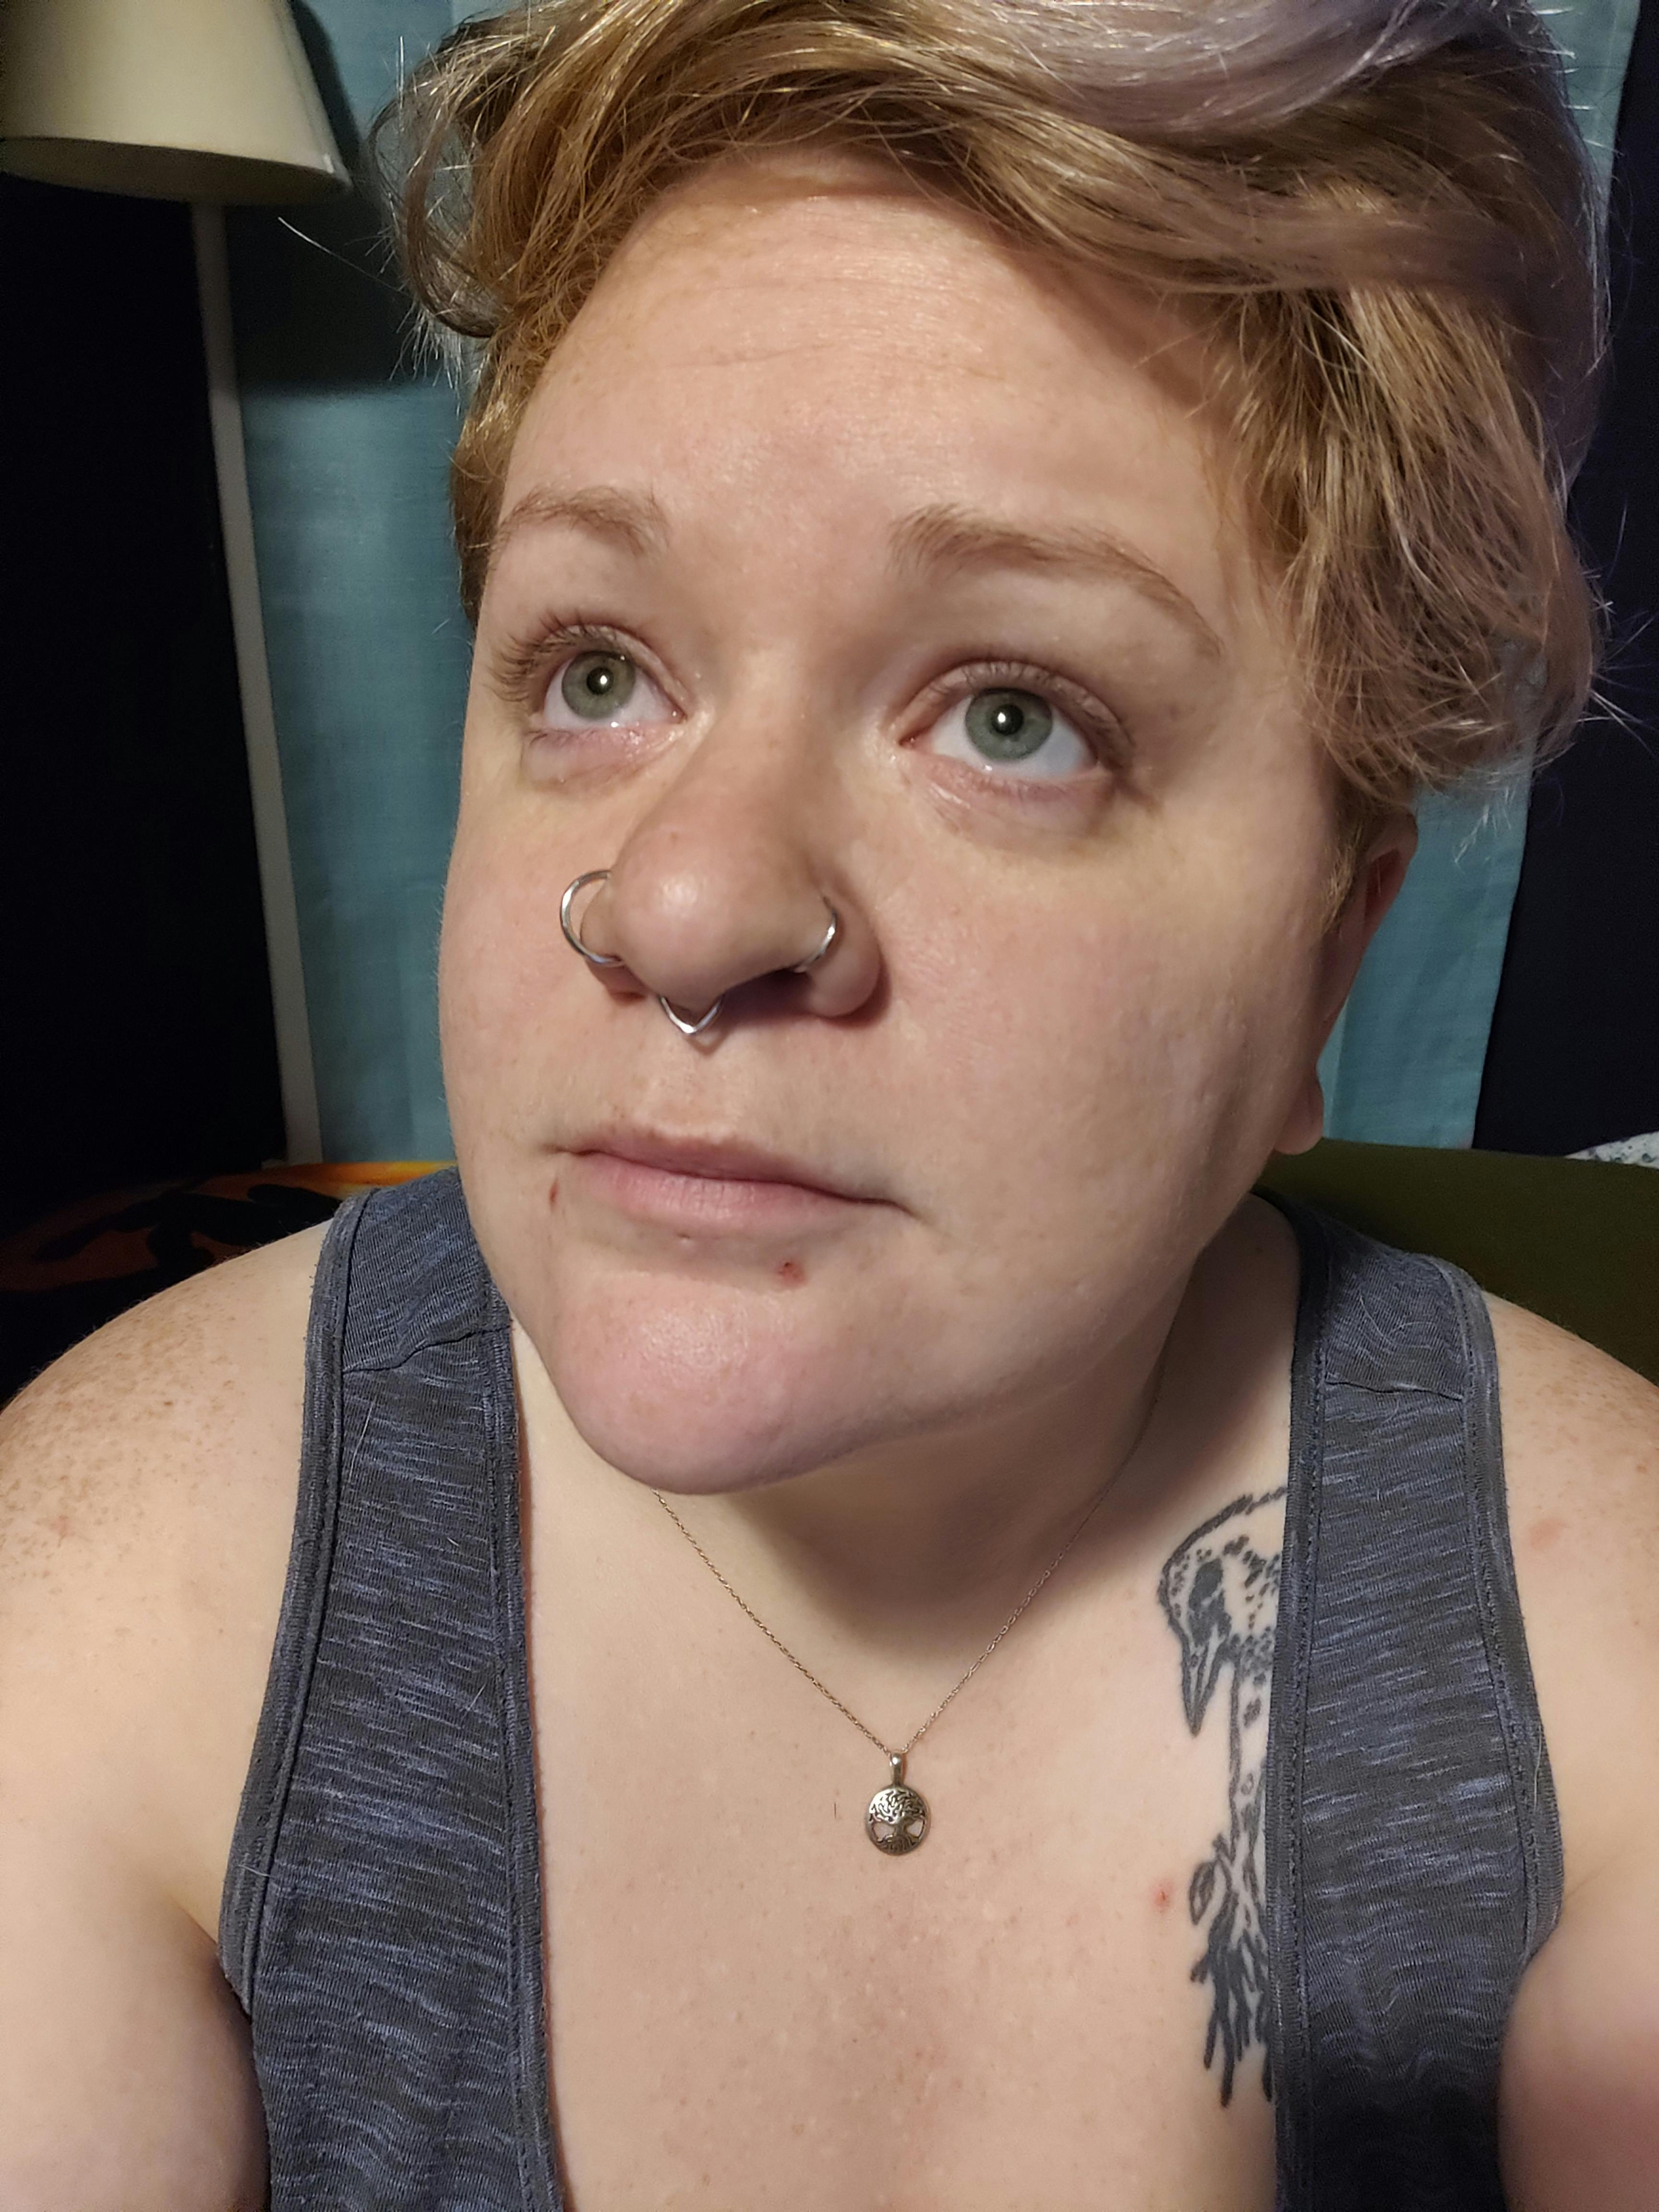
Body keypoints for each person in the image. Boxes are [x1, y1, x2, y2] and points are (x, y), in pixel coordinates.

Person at [2, 0, 1656, 2204]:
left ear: (1325, 959)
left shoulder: (1605, 1674)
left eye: (1013, 718)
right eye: (599, 671)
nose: (682, 906)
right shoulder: (114, 1595)